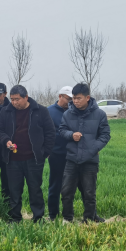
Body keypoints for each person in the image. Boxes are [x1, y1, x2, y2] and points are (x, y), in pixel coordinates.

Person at [0, 85, 55, 223]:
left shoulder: (40, 111)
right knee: (14, 190)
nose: (14, 102)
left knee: (35, 189)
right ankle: (15, 218)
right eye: (12, 99)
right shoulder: (6, 111)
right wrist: (6, 140)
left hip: (33, 159)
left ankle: (38, 218)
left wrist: (44, 152)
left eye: (17, 99)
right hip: (12, 159)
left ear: (26, 97)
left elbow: (50, 132)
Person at [59, 83, 110, 224]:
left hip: (90, 160)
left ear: (87, 98)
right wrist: (71, 135)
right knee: (66, 191)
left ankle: (89, 219)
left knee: (89, 192)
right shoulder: (67, 114)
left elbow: (105, 135)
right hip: (72, 159)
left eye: (79, 98)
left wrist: (94, 148)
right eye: (74, 98)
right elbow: (62, 130)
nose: (75, 101)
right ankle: (67, 218)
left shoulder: (99, 114)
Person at [47, 86, 73, 220]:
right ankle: (53, 214)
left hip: (73, 153)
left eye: (72, 99)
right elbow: (44, 132)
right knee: (55, 184)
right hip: (56, 153)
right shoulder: (49, 111)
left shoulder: (74, 111)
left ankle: (86, 214)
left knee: (78, 184)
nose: (70, 102)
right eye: (68, 99)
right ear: (60, 96)